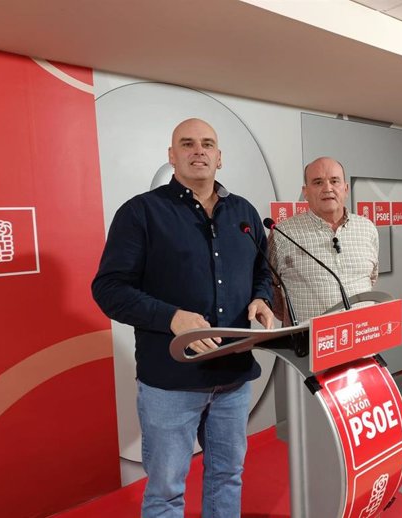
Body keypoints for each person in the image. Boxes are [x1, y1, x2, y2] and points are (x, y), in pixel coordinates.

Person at [92, 118, 274, 518]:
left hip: (234, 377)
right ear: (171, 156)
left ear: (220, 158)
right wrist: (172, 318)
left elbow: (263, 272)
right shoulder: (141, 212)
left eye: (207, 144)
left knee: (228, 476)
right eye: (187, 144)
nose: (199, 151)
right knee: (167, 489)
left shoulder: (243, 212)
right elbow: (108, 289)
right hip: (170, 384)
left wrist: (262, 298)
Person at [268, 156, 379, 324]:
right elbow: (269, 286)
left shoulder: (367, 228)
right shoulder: (283, 234)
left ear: (346, 189)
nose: (328, 188)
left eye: (334, 181)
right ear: (305, 192)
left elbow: (370, 277)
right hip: (307, 345)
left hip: (363, 339)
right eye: (318, 182)